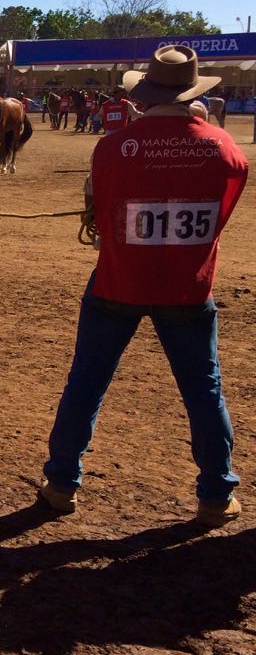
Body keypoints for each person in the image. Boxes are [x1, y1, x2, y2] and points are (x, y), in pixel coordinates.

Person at [38, 45, 249, 527]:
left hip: (118, 282)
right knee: (204, 390)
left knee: (86, 383)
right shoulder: (225, 148)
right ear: (194, 94)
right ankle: (216, 494)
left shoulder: (114, 146)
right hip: (188, 288)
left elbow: (100, 213)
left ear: (145, 95)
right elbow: (221, 215)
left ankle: (61, 484)